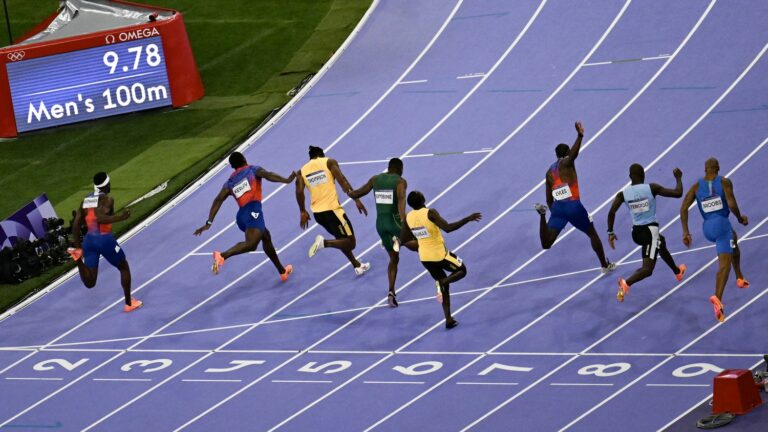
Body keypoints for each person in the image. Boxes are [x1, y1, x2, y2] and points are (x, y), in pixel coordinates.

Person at [194, 152, 294, 281]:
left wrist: (209, 222)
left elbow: (218, 200)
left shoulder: (230, 182)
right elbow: (269, 175)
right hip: (253, 212)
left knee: (266, 237)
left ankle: (282, 271)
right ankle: (222, 256)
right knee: (251, 244)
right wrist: (286, 180)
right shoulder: (252, 170)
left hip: (241, 217)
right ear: (244, 159)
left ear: (233, 167)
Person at [535, 121, 615, 273]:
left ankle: (542, 215)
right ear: (565, 155)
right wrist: (580, 136)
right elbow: (573, 155)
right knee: (592, 234)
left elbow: (548, 198)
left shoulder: (549, 172)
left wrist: (555, 211)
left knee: (546, 243)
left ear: (556, 155)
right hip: (573, 206)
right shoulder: (567, 162)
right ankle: (604, 266)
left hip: (558, 208)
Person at [680, 158, 750, 322]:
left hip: (707, 228)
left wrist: (685, 232)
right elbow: (731, 203)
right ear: (718, 168)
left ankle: (739, 277)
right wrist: (740, 218)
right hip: (721, 225)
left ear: (705, 169)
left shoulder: (696, 186)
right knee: (724, 265)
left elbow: (683, 208)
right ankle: (717, 299)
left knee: (733, 240)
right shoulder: (725, 182)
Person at [400, 191, 481, 329]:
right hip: (440, 255)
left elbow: (404, 239)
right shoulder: (430, 213)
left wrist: (419, 239)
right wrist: (468, 218)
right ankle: (443, 281)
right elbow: (448, 228)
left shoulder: (408, 217)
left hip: (424, 258)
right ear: (422, 199)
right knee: (462, 270)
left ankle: (448, 319)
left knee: (445, 288)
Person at [606, 165, 687, 302]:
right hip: (650, 232)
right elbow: (678, 193)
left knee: (661, 242)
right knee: (648, 269)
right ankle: (627, 283)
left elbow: (612, 212)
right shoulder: (651, 188)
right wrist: (678, 177)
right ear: (643, 175)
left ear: (630, 176)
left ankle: (677, 271)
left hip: (636, 233)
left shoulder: (623, 194)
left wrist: (610, 232)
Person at [67, 172, 142, 312]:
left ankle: (77, 260)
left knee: (90, 282)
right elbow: (101, 218)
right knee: (123, 267)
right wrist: (122, 217)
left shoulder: (86, 200)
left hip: (89, 241)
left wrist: (78, 247)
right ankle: (129, 303)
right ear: (106, 185)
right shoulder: (108, 200)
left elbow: (76, 225)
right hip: (104, 240)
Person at [295, 146, 370, 276]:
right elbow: (342, 181)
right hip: (333, 211)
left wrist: (302, 211)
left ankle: (357, 265)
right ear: (321, 155)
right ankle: (324, 243)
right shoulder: (329, 162)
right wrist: (356, 199)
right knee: (351, 243)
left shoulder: (302, 171)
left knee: (340, 240)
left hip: (318, 214)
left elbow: (299, 191)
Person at [348, 158, 407, 307]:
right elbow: (401, 200)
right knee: (418, 244)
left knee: (393, 259)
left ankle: (391, 292)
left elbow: (356, 193)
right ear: (400, 169)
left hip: (380, 225)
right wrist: (403, 220)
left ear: (388, 168)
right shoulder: (400, 182)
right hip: (394, 222)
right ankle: (399, 240)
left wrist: (348, 191)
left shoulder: (375, 179)